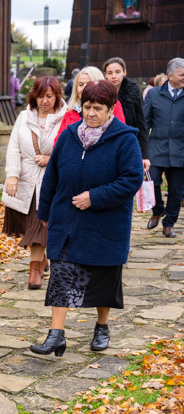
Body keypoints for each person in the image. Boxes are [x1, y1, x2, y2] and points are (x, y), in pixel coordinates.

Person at [31, 80, 142, 357]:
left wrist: (95, 197)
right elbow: (52, 177)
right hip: (67, 222)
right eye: (87, 107)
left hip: (104, 225)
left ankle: (102, 326)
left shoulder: (125, 139)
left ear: (111, 109)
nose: (91, 113)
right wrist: (44, 212)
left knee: (102, 280)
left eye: (98, 108)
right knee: (61, 276)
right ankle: (56, 335)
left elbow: (131, 180)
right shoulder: (69, 136)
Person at [2, 76, 66, 290]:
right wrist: (12, 174)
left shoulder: (65, 117)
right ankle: (41, 261)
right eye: (40, 96)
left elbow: (67, 147)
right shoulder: (23, 117)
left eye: (49, 96)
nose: (44, 101)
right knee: (33, 225)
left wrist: (51, 159)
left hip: (52, 180)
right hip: (28, 179)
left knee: (41, 225)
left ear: (57, 96)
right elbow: (13, 147)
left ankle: (35, 270)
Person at [144, 58, 184, 238]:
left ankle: (169, 224)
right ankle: (158, 209)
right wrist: (143, 150)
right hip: (156, 148)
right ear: (170, 75)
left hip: (180, 149)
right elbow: (145, 123)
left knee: (176, 190)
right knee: (151, 182)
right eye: (182, 75)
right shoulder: (154, 94)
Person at [55, 66, 125, 146]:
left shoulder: (112, 106)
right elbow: (59, 140)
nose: (84, 88)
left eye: (89, 84)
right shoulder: (71, 109)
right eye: (80, 85)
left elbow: (119, 136)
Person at [104, 57, 150, 171]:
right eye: (110, 73)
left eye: (118, 72)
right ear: (105, 74)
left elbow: (141, 124)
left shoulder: (133, 92)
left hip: (128, 143)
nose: (114, 76)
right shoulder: (101, 92)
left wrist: (145, 155)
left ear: (125, 72)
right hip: (106, 144)